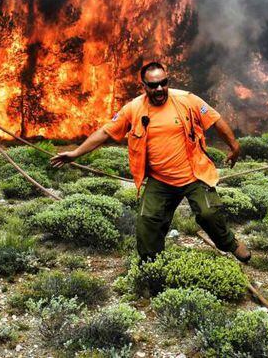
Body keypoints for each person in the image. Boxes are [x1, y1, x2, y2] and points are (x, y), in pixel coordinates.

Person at [50, 62, 251, 263]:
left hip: (194, 174)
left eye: (164, 83)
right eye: (153, 85)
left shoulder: (187, 99)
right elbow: (105, 132)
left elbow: (215, 120)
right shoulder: (134, 108)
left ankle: (230, 244)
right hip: (160, 180)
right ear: (144, 86)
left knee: (208, 214)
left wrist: (234, 147)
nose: (160, 89)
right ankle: (152, 266)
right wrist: (75, 153)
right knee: (146, 223)